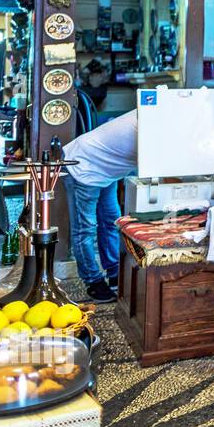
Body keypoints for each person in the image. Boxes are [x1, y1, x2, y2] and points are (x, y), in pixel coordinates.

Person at [63, 109, 138, 303]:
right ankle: (93, 282)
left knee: (112, 222)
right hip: (84, 165)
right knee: (85, 228)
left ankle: (114, 272)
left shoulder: (157, 115)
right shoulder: (151, 122)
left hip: (107, 170)